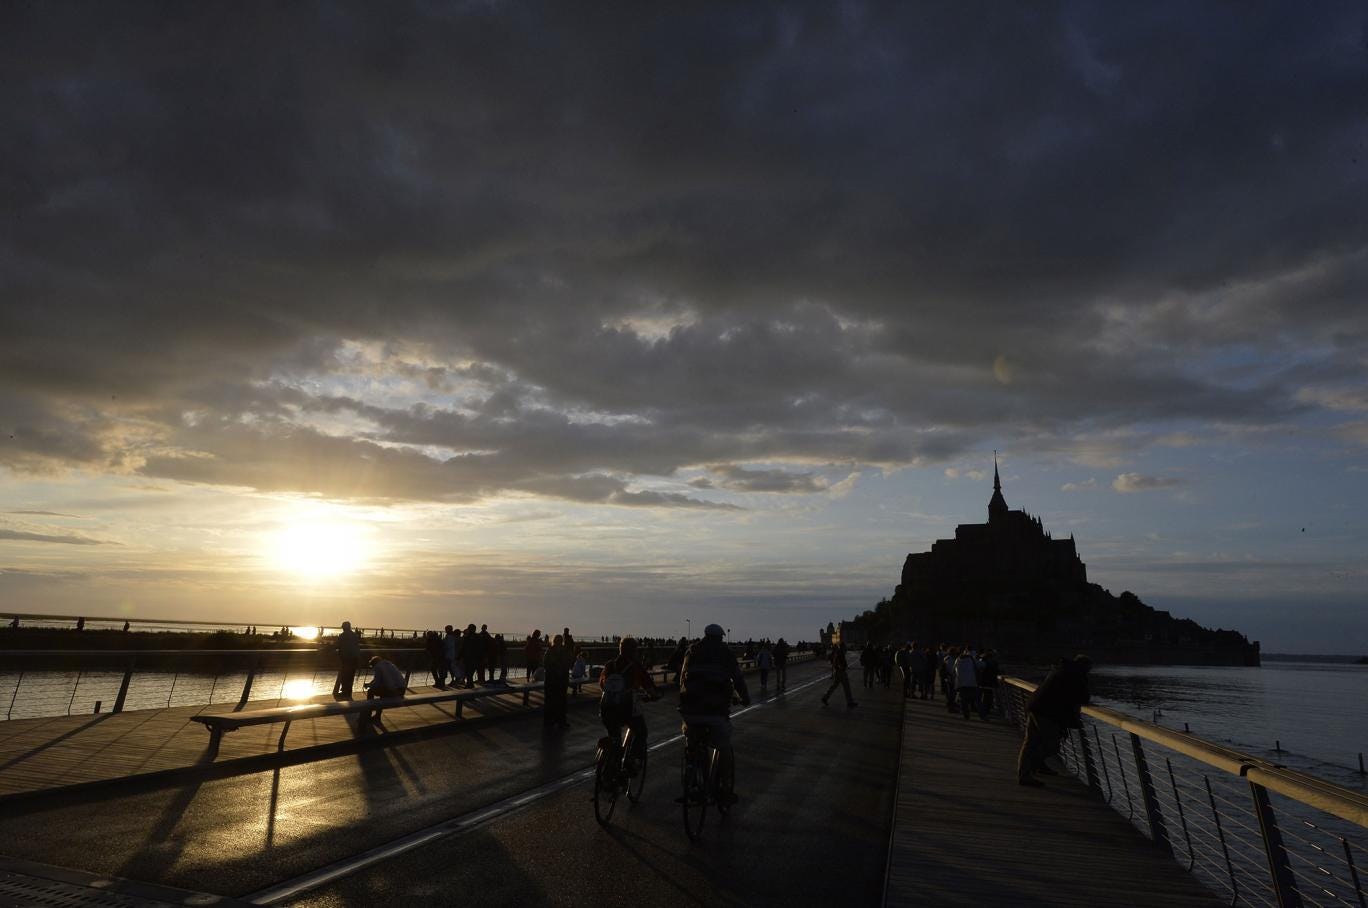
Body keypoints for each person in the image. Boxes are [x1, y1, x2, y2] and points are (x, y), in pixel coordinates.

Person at [679, 624, 751, 804]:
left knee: (693, 742)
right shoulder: (725, 653)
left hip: (691, 712)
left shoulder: (692, 651)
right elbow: (738, 679)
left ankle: (693, 778)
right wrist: (745, 698)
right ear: (720, 638)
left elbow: (682, 678)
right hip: (715, 712)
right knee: (723, 746)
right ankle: (724, 788)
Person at [1017, 655, 1093, 786]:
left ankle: (1027, 773)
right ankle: (1031, 767)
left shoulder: (1061, 669)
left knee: (1031, 742)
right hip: (1048, 712)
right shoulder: (1075, 675)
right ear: (1085, 667)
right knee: (1052, 745)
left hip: (1035, 706)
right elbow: (1084, 697)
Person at [599, 636, 660, 778]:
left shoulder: (609, 665)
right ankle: (631, 761)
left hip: (606, 708)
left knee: (614, 737)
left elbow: (602, 684)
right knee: (641, 732)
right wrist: (653, 696)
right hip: (627, 709)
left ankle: (609, 770)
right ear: (634, 651)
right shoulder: (636, 667)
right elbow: (650, 688)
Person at [364, 655, 406, 724]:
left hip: (394, 691)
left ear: (373, 664)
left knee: (370, 691)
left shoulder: (378, 667)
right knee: (382, 691)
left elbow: (377, 682)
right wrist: (370, 684)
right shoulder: (389, 664)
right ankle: (377, 716)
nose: (373, 669)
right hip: (402, 690)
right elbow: (380, 680)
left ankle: (368, 713)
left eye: (372, 667)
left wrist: (369, 686)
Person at [543, 633, 572, 727]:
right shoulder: (550, 651)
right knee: (552, 701)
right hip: (552, 680)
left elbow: (567, 663)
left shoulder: (562, 651)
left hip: (561, 680)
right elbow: (546, 664)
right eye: (558, 641)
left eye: (560, 641)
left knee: (561, 701)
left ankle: (560, 720)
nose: (559, 643)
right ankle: (551, 721)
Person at [821, 642, 857, 708]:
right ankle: (850, 702)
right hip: (841, 672)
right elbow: (840, 662)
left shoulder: (838, 652)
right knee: (846, 687)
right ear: (842, 647)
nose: (845, 648)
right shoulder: (840, 653)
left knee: (834, 686)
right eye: (844, 647)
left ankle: (825, 697)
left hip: (837, 671)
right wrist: (842, 667)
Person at [333, 621, 362, 699]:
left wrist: (329, 646)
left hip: (346, 660)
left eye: (342, 627)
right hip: (354, 660)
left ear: (344, 627)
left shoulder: (342, 636)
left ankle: (345, 693)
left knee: (344, 677)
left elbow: (337, 645)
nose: (342, 628)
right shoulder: (355, 636)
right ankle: (348, 693)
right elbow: (357, 648)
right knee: (350, 678)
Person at [954, 646, 980, 719]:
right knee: (973, 697)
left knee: (963, 699)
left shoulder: (957, 660)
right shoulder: (971, 660)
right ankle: (977, 711)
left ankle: (966, 713)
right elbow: (980, 665)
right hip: (971, 682)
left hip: (961, 683)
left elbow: (953, 671)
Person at [978, 649, 1000, 719]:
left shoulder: (981, 661)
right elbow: (996, 671)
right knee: (988, 696)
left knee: (983, 696)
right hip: (990, 682)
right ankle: (986, 711)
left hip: (982, 682)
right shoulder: (993, 663)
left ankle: (983, 710)